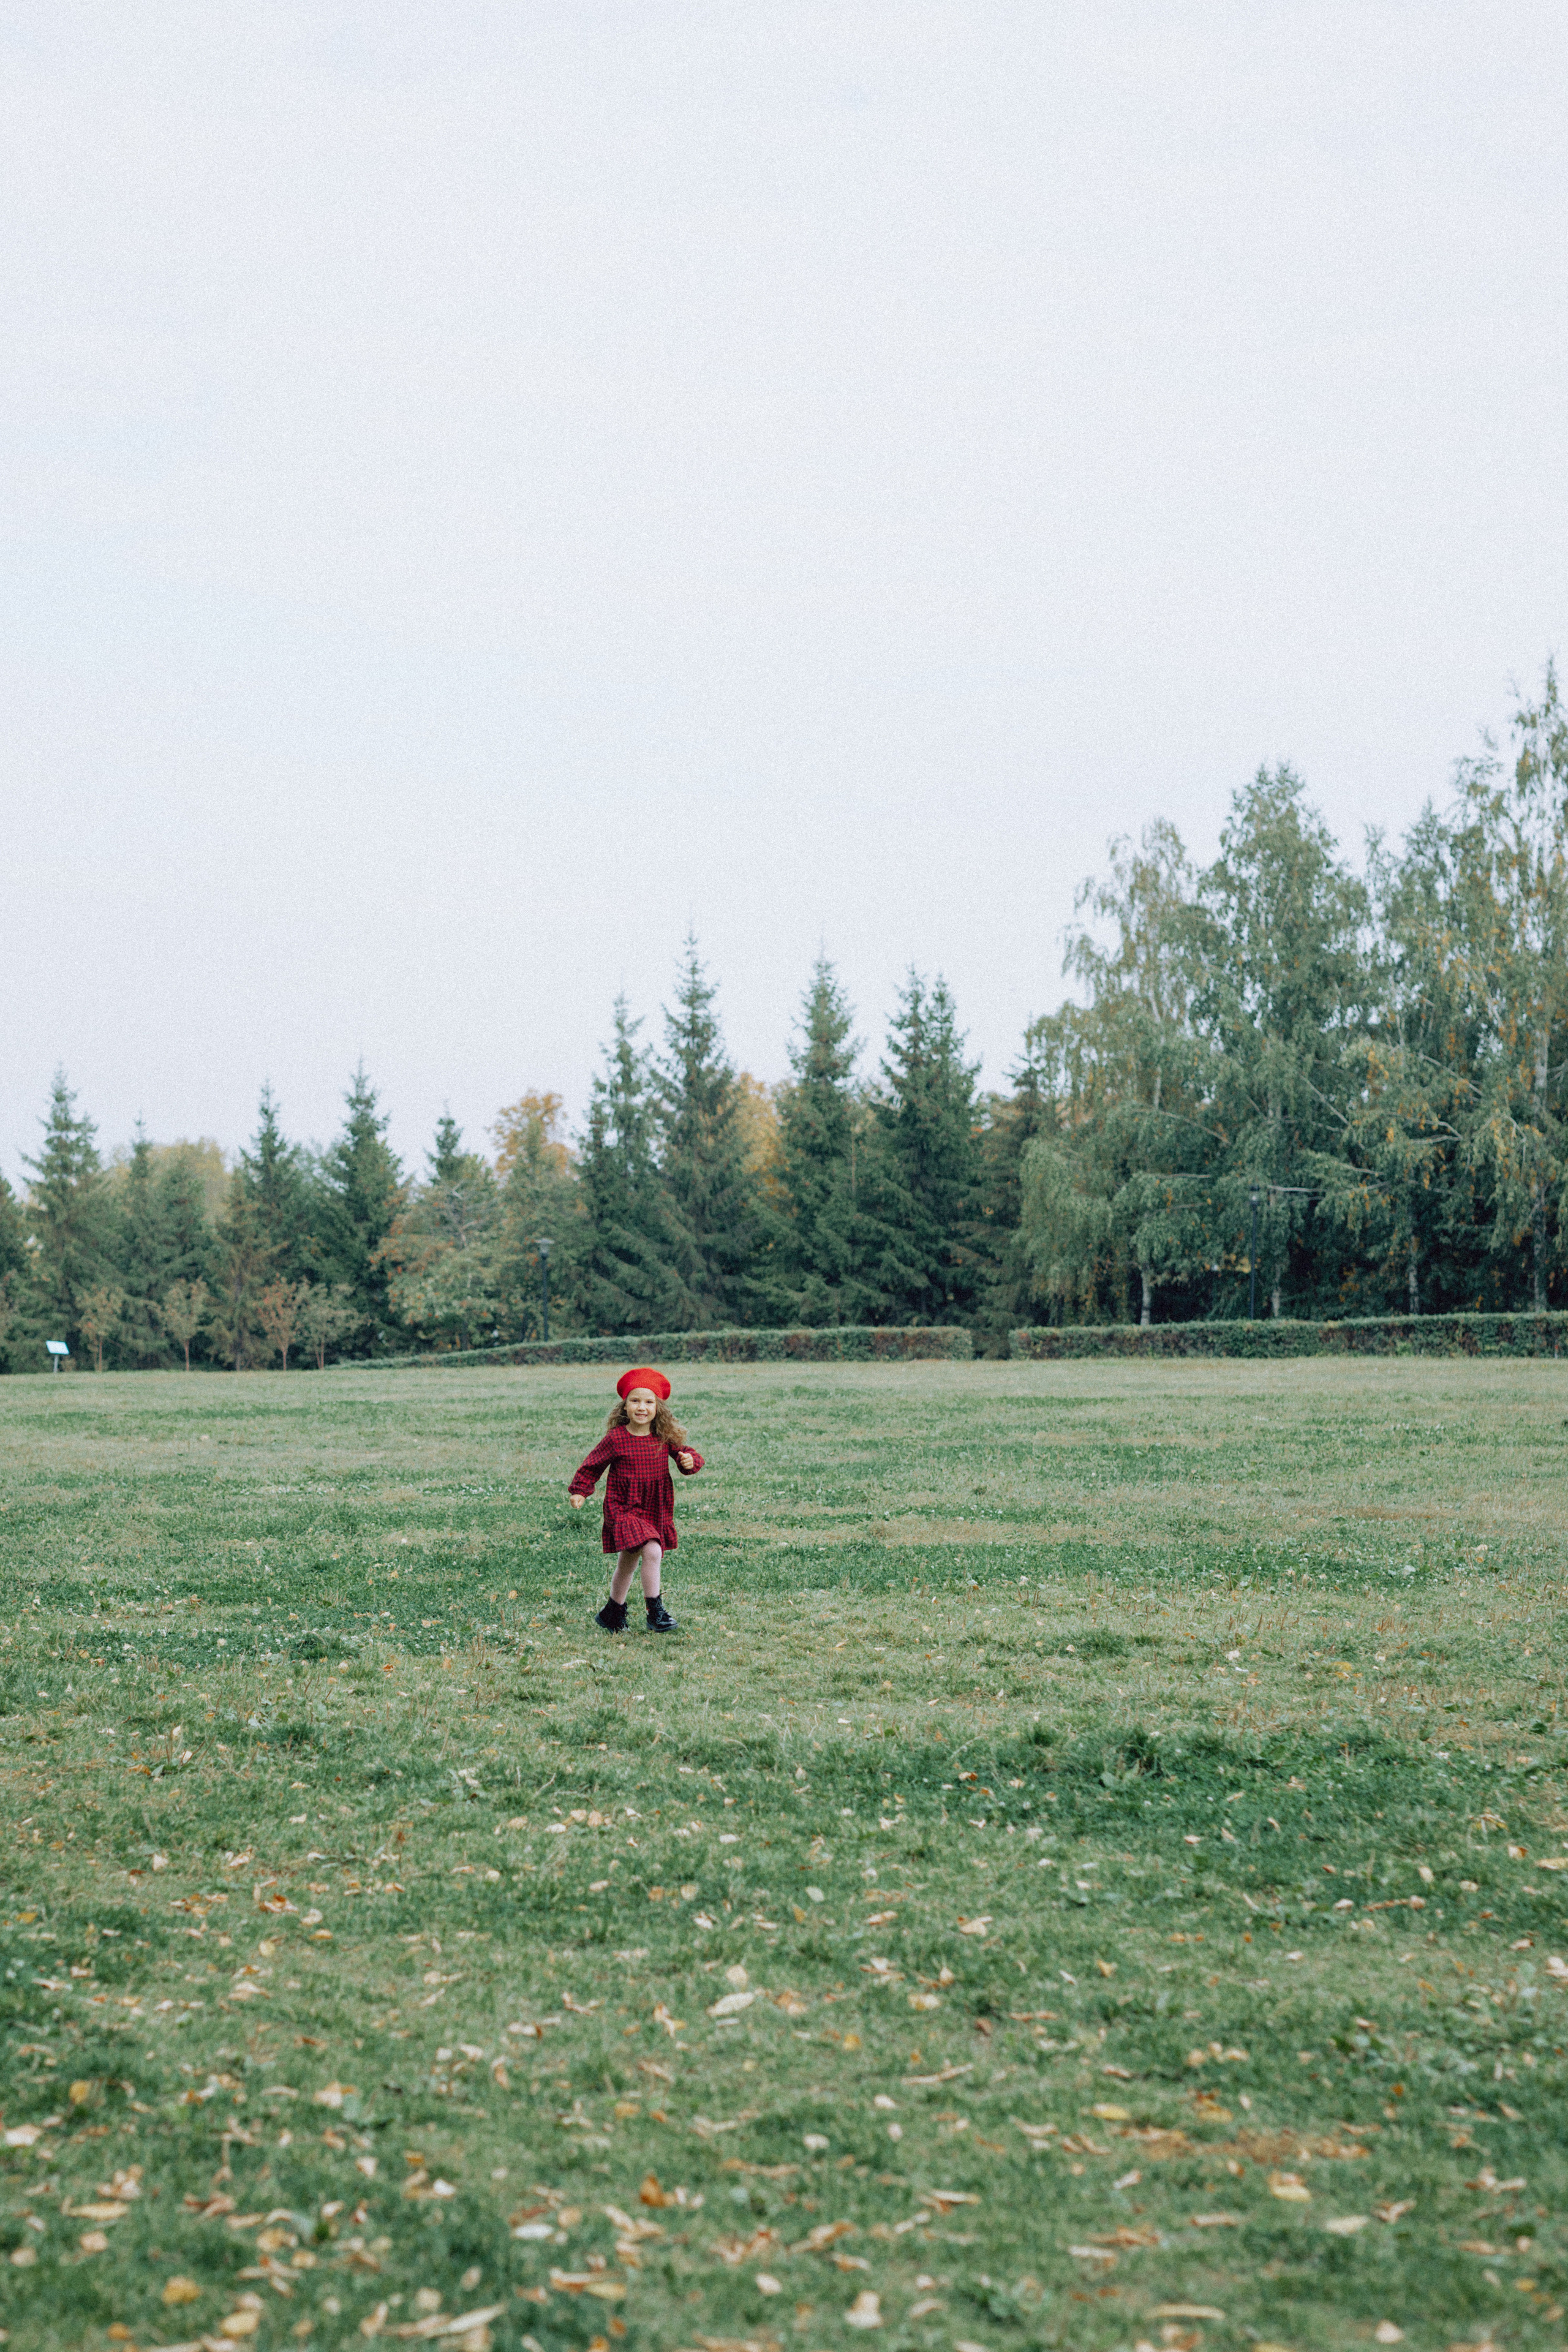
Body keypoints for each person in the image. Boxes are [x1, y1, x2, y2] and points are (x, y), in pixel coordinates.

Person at [570, 1367, 703, 1633]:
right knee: (653, 1550)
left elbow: (686, 1455)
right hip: (623, 1507)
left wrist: (690, 1461)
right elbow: (592, 1466)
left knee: (628, 1560)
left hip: (654, 1507)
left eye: (649, 1402)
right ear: (625, 1406)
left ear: (658, 1408)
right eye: (635, 1400)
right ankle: (655, 1612)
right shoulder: (616, 1439)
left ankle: (611, 1613)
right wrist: (580, 1490)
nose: (642, 1407)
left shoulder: (663, 1437)